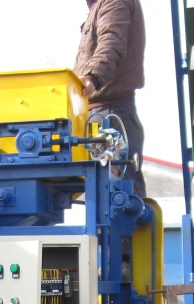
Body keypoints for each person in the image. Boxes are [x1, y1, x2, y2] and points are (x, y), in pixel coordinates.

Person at [74, 0, 147, 198]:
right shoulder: (101, 6)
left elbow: (111, 41)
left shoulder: (113, 2)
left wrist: (92, 76)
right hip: (104, 111)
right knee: (110, 194)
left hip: (110, 113)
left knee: (119, 194)